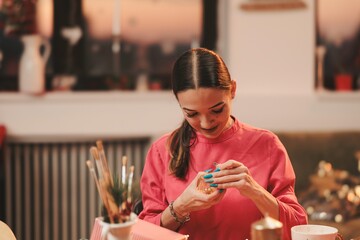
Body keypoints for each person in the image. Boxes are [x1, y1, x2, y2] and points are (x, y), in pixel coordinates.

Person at [139, 48, 307, 240]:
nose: (205, 123)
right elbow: (145, 234)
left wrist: (255, 191)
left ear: (232, 90)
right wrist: (181, 205)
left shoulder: (267, 145)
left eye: (216, 110)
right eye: (192, 114)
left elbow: (299, 228)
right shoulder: (162, 151)